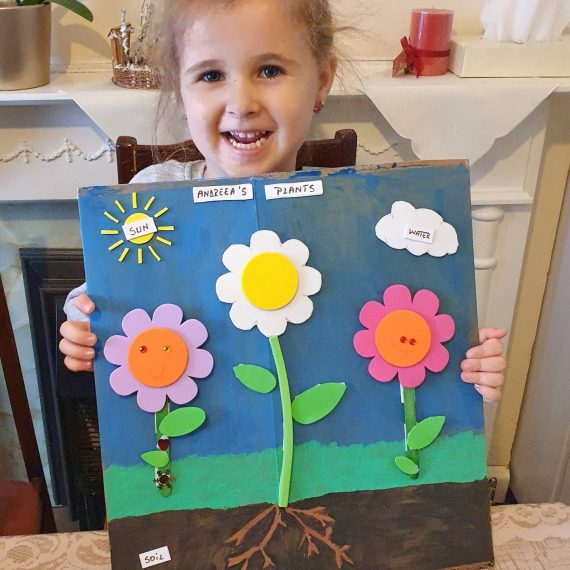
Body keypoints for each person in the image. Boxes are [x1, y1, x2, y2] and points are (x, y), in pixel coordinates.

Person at [59, 0, 507, 402]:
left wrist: (466, 364)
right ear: (180, 91)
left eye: (269, 70)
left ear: (321, 81)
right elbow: (97, 298)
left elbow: (404, 319)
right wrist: (85, 328)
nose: (241, 103)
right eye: (211, 75)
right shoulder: (151, 198)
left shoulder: (362, 214)